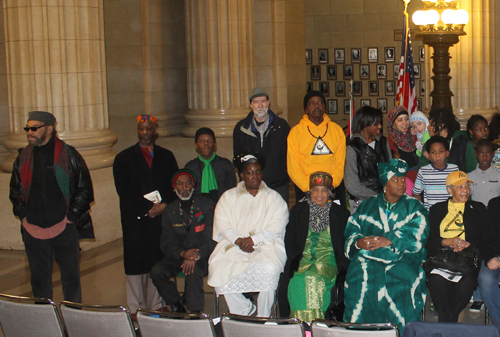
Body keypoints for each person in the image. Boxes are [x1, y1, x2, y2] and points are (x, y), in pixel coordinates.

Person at [10, 111, 94, 303]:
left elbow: (84, 189)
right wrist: (23, 215)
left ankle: (72, 317)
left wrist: (71, 217)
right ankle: (44, 321)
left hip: (64, 226)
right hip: (33, 228)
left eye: (34, 128)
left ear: (49, 128)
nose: (29, 132)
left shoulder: (69, 154)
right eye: (27, 128)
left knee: (70, 279)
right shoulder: (23, 157)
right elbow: (15, 190)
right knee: (39, 282)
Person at [343, 158, 428, 334]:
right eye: (395, 180)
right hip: (368, 258)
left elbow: (421, 231)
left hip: (403, 257)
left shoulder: (414, 206)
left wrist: (391, 239)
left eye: (403, 179)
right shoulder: (368, 205)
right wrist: (358, 242)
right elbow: (353, 227)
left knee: (399, 283)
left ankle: (402, 332)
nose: (401, 184)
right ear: (385, 185)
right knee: (361, 280)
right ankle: (361, 332)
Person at [208, 152, 288, 317]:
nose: (254, 176)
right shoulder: (228, 197)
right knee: (218, 266)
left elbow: (277, 225)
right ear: (242, 175)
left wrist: (253, 240)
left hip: (265, 246)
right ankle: (243, 308)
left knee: (270, 268)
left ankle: (264, 316)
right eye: (249, 172)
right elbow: (222, 223)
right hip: (235, 245)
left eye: (258, 172)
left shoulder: (274, 198)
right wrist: (238, 240)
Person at [113, 114, 179, 317]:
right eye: (142, 129)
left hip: (160, 219)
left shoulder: (167, 156)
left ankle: (157, 305)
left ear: (155, 131)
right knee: (136, 264)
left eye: (149, 129)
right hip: (136, 219)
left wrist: (164, 206)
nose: (145, 133)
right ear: (137, 130)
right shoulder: (123, 158)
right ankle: (135, 307)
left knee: (156, 260)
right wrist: (146, 208)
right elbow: (124, 190)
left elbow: (174, 184)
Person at [278, 172, 350, 321]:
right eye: (316, 190)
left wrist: (343, 265)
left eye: (324, 190)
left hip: (328, 260)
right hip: (303, 260)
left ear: (329, 193)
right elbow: (290, 238)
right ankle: (299, 325)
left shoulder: (341, 213)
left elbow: (345, 241)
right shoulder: (299, 211)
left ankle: (316, 325)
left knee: (313, 278)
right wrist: (295, 258)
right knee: (296, 279)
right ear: (310, 192)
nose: (319, 194)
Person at [150, 169, 216, 313]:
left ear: (193, 186)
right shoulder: (169, 211)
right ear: (174, 188)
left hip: (203, 255)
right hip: (179, 255)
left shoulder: (206, 205)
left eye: (188, 183)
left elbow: (212, 238)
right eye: (180, 184)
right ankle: (175, 304)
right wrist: (183, 253)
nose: (185, 188)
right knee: (157, 271)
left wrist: (195, 255)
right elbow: (166, 242)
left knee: (192, 271)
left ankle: (195, 313)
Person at [426, 171, 484, 322]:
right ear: (449, 190)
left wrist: (468, 245)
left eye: (467, 186)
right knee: (436, 282)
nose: (465, 190)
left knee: (466, 284)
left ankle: (445, 324)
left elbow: (484, 239)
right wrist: (447, 241)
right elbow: (430, 241)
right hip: (441, 259)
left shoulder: (478, 209)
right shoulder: (437, 209)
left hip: (467, 260)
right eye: (459, 187)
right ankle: (450, 323)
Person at [233, 88, 291, 202]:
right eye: (256, 102)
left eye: (263, 101)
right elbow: (237, 156)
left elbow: (290, 154)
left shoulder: (282, 126)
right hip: (251, 187)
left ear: (268, 102)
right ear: (250, 105)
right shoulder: (241, 128)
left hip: (278, 186)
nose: (260, 105)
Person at [288, 91, 346, 203]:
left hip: (333, 188)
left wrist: (332, 184)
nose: (316, 106)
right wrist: (309, 187)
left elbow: (341, 162)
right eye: (312, 103)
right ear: (306, 109)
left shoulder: (336, 130)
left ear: (325, 107)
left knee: (335, 219)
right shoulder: (296, 132)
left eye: (320, 102)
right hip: (305, 189)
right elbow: (293, 165)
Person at [344, 106, 391, 214]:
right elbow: (351, 184)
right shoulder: (353, 147)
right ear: (365, 124)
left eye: (380, 122)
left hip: (384, 200)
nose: (380, 126)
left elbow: (390, 171)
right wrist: (376, 196)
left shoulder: (383, 142)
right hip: (361, 203)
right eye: (376, 123)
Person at [185, 127, 236, 203]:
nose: (206, 144)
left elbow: (232, 190)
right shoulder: (190, 167)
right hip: (197, 208)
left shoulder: (225, 165)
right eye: (201, 141)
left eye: (210, 141)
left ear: (215, 144)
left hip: (223, 206)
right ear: (196, 145)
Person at [412, 136, 459, 210]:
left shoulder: (454, 169)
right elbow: (415, 193)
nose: (438, 155)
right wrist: (422, 210)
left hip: (451, 213)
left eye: (441, 151)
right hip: (432, 215)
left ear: (447, 153)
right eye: (433, 152)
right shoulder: (423, 171)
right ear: (429, 156)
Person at [479, 196, 500, 326]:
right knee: (486, 279)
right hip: (497, 255)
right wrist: (490, 257)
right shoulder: (495, 204)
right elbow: (486, 236)